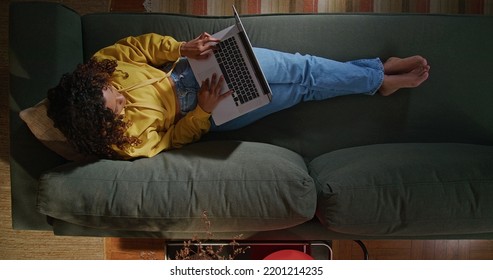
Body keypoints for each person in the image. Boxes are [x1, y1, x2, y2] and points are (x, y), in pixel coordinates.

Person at [47, 33, 430, 160]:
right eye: (118, 109)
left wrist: (184, 47)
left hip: (194, 66)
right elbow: (171, 139)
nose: (122, 100)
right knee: (302, 90)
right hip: (209, 110)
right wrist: (202, 112)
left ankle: (379, 76)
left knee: (302, 68)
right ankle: (377, 75)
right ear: (105, 125)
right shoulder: (123, 143)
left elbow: (140, 48)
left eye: (114, 92)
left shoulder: (102, 63)